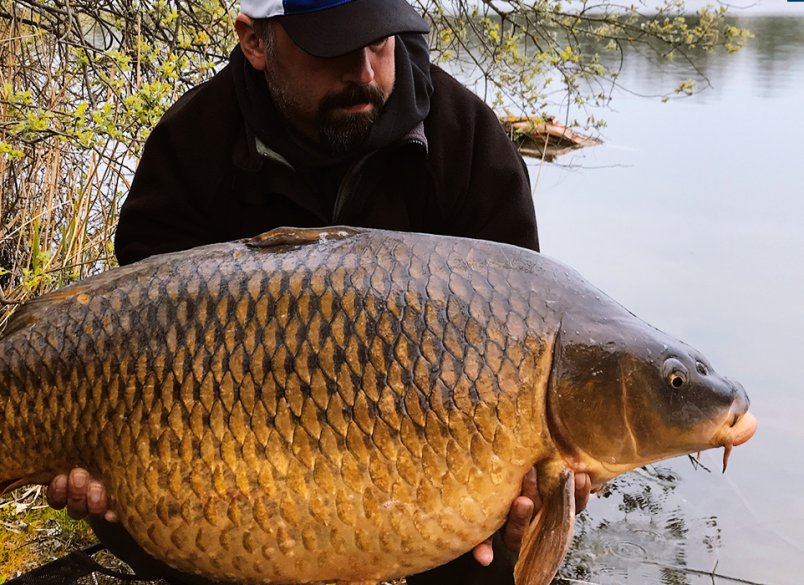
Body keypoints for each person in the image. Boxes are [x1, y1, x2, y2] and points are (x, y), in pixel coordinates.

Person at [48, 0, 591, 583]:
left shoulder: (469, 143)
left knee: (492, 548)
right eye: (334, 46)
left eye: (380, 40)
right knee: (147, 512)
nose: (363, 71)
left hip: (433, 463)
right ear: (256, 41)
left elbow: (518, 338)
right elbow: (131, 340)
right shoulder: (192, 146)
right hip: (235, 470)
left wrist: (533, 492)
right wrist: (101, 469)